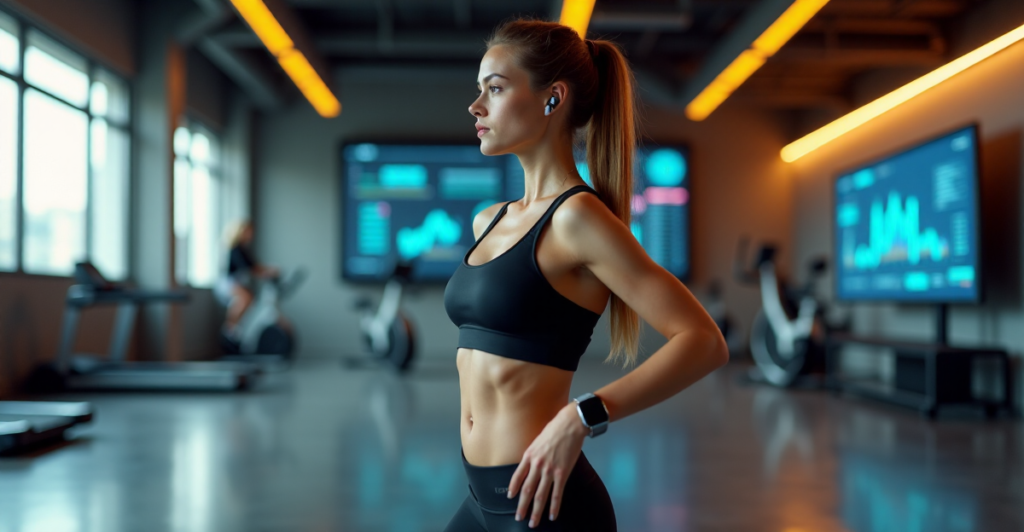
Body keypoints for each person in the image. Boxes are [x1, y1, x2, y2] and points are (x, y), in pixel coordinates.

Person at [442, 19, 729, 532]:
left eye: (496, 89)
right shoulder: (489, 220)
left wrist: (582, 416)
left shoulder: (578, 219)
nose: (476, 107)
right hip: (479, 498)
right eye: (478, 90)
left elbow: (704, 341)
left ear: (553, 98)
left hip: (546, 504)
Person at [218, 220, 278, 337]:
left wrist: (271, 270)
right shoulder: (235, 249)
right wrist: (265, 273)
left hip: (236, 282)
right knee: (245, 298)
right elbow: (249, 268)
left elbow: (254, 265)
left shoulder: (244, 249)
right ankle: (230, 327)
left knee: (251, 299)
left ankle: (238, 327)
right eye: (248, 232)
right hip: (228, 283)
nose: (250, 235)